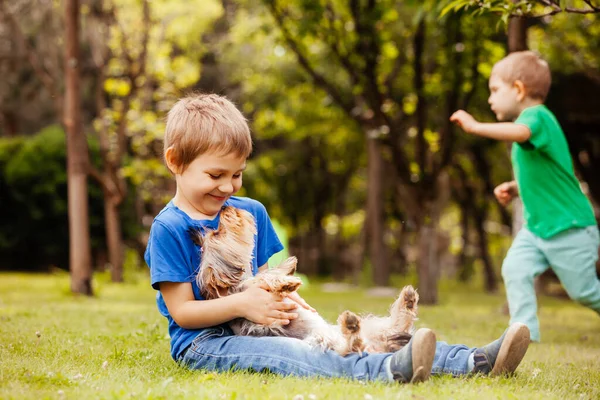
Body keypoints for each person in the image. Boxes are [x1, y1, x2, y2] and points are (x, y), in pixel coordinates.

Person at [145, 92, 530, 383]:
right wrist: (244, 305)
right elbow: (183, 312)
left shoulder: (250, 212)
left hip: (262, 321)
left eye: (238, 174)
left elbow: (263, 279)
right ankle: (387, 370)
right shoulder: (169, 227)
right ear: (175, 161)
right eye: (216, 175)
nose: (229, 186)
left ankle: (473, 360)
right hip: (207, 342)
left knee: (331, 335)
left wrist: (289, 301)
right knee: (294, 354)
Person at [450, 51, 600, 343]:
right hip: (537, 228)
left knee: (584, 292)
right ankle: (523, 334)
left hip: (568, 227)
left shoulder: (536, 117)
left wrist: (475, 127)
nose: (491, 99)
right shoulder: (533, 129)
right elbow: (550, 173)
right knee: (515, 268)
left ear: (518, 89)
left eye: (495, 90)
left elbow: (519, 132)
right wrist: (516, 187)